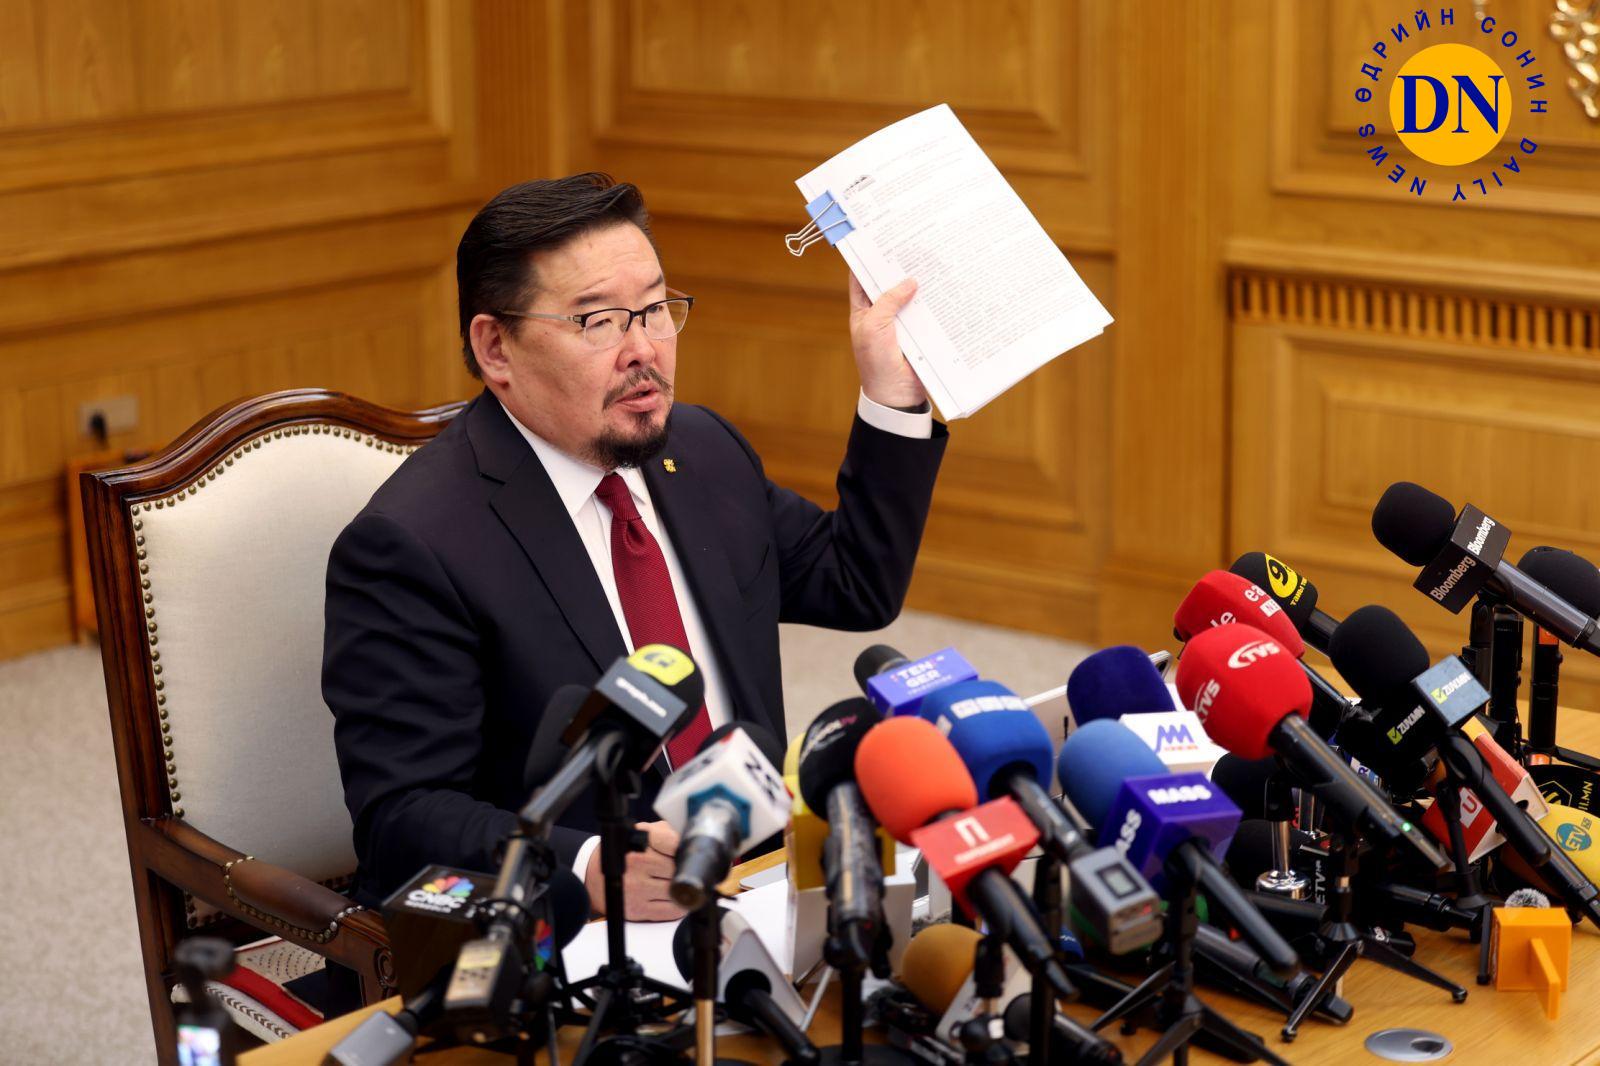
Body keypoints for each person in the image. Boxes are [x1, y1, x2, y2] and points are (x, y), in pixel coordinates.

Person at [324, 173, 946, 920]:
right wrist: (588, 865)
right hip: (582, 932)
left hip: (762, 878)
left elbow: (855, 582)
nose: (644, 350)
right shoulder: (413, 544)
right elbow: (401, 818)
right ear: (496, 348)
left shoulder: (702, 450)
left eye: (654, 310)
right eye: (599, 322)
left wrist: (891, 395)